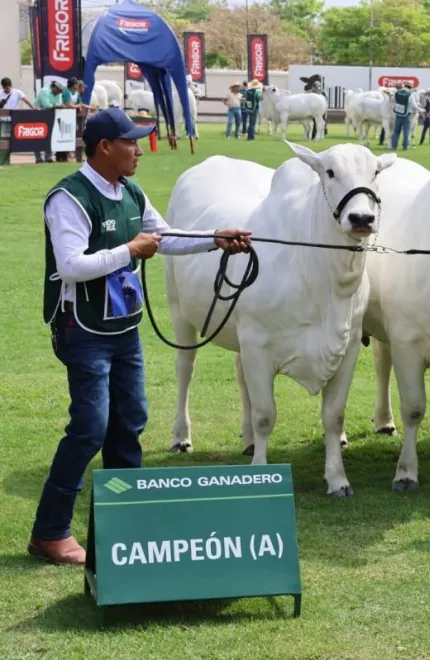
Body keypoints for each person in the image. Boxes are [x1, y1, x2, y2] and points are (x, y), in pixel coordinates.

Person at [30, 108, 252, 565]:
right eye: (130, 142)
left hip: (122, 326)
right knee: (90, 428)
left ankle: (127, 523)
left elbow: (163, 237)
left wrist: (215, 238)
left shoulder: (129, 190)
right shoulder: (68, 198)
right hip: (84, 329)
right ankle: (49, 532)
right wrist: (129, 250)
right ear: (104, 148)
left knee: (130, 421)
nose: (139, 149)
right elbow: (69, 265)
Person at [33, 80, 65, 163]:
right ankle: (38, 158)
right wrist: (57, 106)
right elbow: (46, 105)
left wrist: (56, 106)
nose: (59, 93)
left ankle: (48, 157)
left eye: (61, 91)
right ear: (54, 87)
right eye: (58, 90)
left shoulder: (58, 93)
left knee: (50, 136)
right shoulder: (45, 91)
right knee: (38, 136)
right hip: (38, 115)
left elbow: (59, 103)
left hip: (50, 115)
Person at [390, 82, 413, 151]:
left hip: (398, 114)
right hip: (407, 114)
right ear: (410, 87)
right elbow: (413, 105)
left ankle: (394, 146)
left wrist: (395, 106)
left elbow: (392, 100)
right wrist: (420, 109)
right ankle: (405, 147)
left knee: (396, 131)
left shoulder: (397, 92)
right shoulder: (410, 94)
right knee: (406, 132)